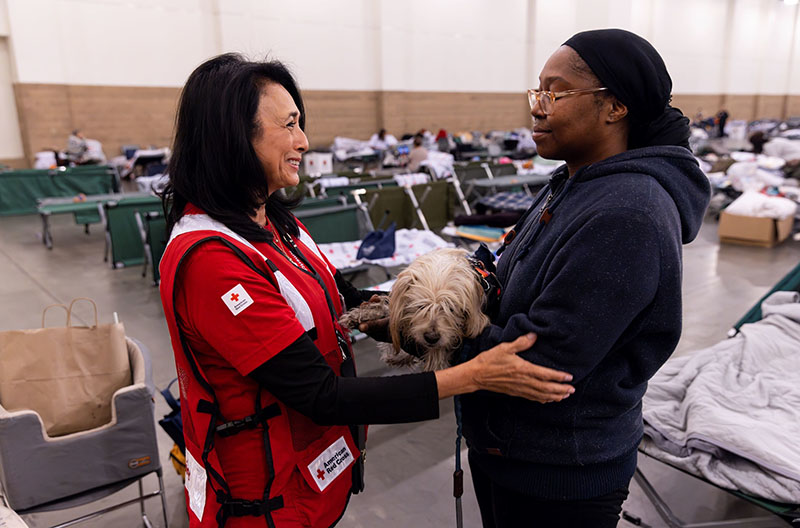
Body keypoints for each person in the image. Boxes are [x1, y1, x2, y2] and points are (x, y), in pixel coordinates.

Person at [158, 53, 575, 528]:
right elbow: (322, 395)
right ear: (232, 137)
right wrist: (473, 374)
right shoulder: (211, 262)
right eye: (290, 125)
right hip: (260, 503)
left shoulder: (276, 222)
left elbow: (345, 302)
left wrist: (425, 316)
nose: (304, 141)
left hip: (311, 481)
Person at [459, 29, 710, 527]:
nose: (538, 106)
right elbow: (511, 274)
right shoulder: (573, 183)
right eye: (537, 91)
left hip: (556, 473)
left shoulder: (627, 212)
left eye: (555, 91)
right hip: (509, 449)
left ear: (614, 107)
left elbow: (543, 360)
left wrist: (436, 328)